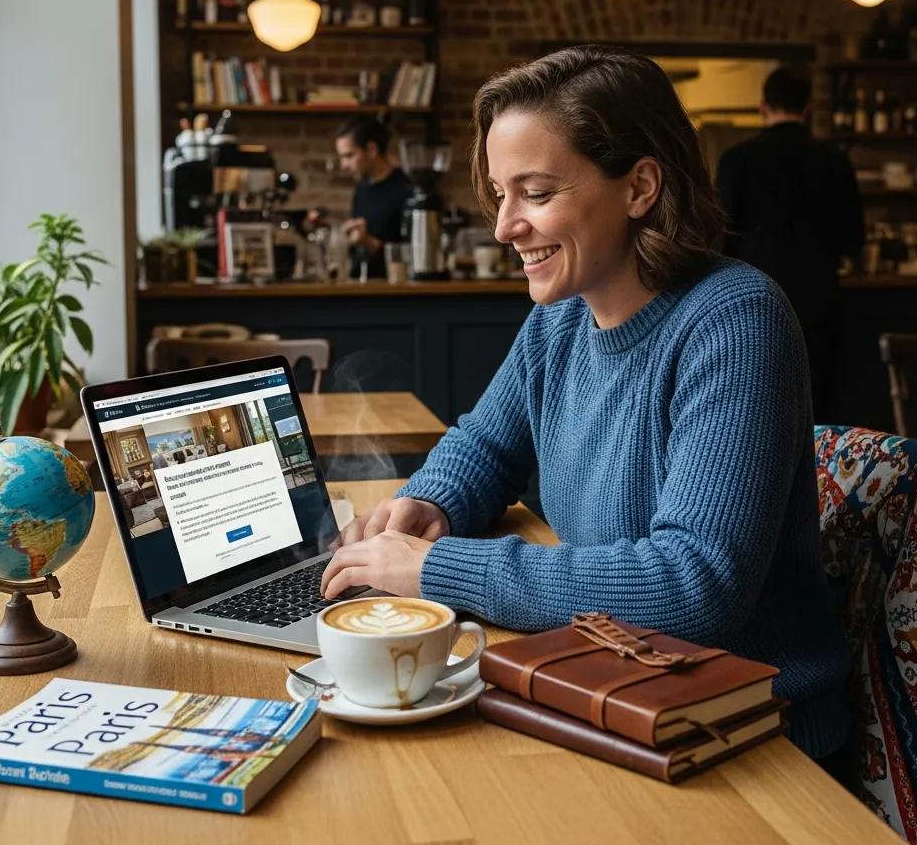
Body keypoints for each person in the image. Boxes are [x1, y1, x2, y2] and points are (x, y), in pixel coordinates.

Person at [321, 45, 851, 764]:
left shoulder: (735, 321)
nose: (506, 226)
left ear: (639, 187)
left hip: (746, 738)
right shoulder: (561, 318)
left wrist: (432, 570)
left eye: (535, 194)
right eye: (500, 195)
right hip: (612, 688)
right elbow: (485, 444)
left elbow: (694, 586)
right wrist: (432, 504)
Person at [715, 66, 864, 420]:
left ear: (762, 106)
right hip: (819, 300)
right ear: (809, 107)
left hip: (752, 298)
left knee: (755, 403)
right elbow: (852, 239)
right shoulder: (835, 161)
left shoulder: (738, 160)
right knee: (817, 409)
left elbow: (720, 234)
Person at [334, 115, 412, 279]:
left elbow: (414, 257)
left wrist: (369, 243)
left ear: (371, 150)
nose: (343, 165)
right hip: (361, 287)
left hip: (394, 294)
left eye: (349, 156)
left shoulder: (407, 190)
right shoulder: (361, 189)